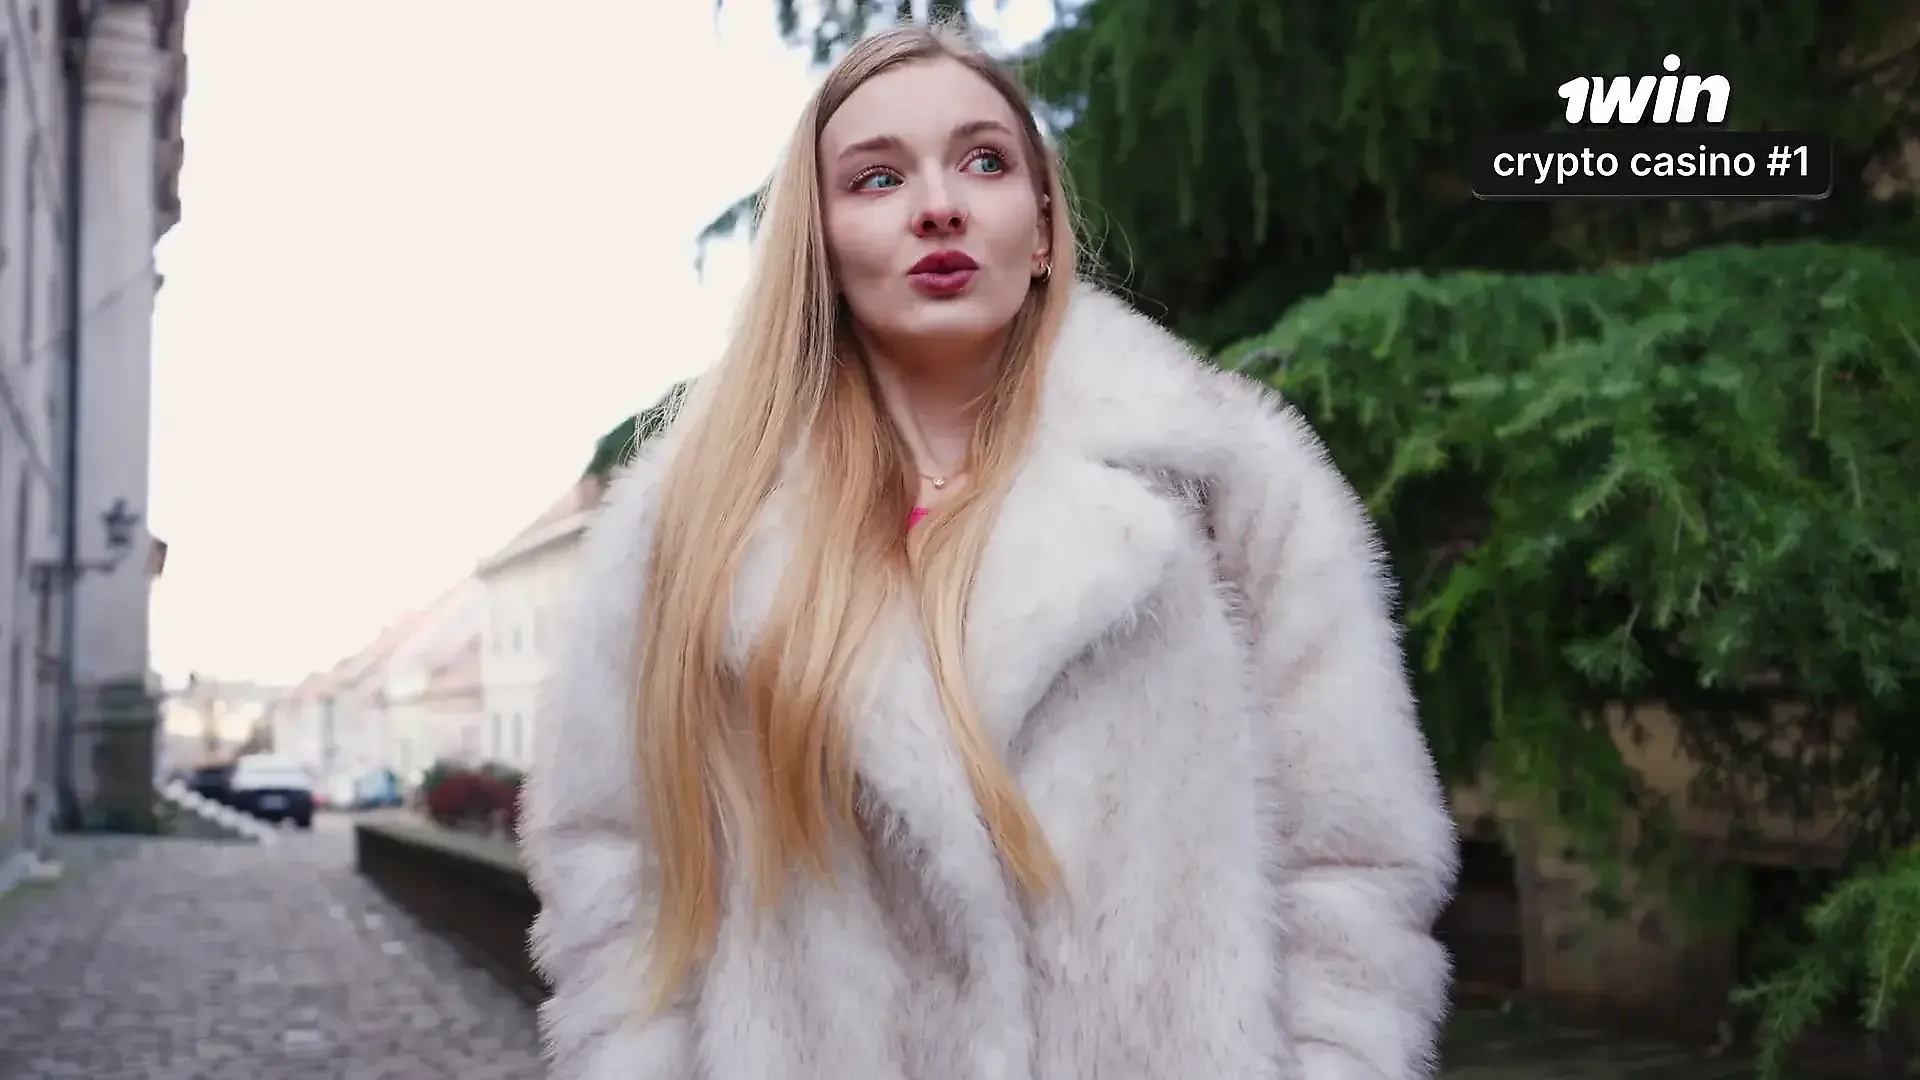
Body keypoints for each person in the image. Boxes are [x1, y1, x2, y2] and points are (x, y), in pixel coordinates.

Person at [519, 21, 1460, 1080]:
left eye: (984, 162)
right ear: (818, 244)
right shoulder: (694, 525)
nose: (938, 204)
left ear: (1045, 225)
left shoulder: (1226, 482)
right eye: (877, 178)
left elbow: (1355, 860)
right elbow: (613, 885)